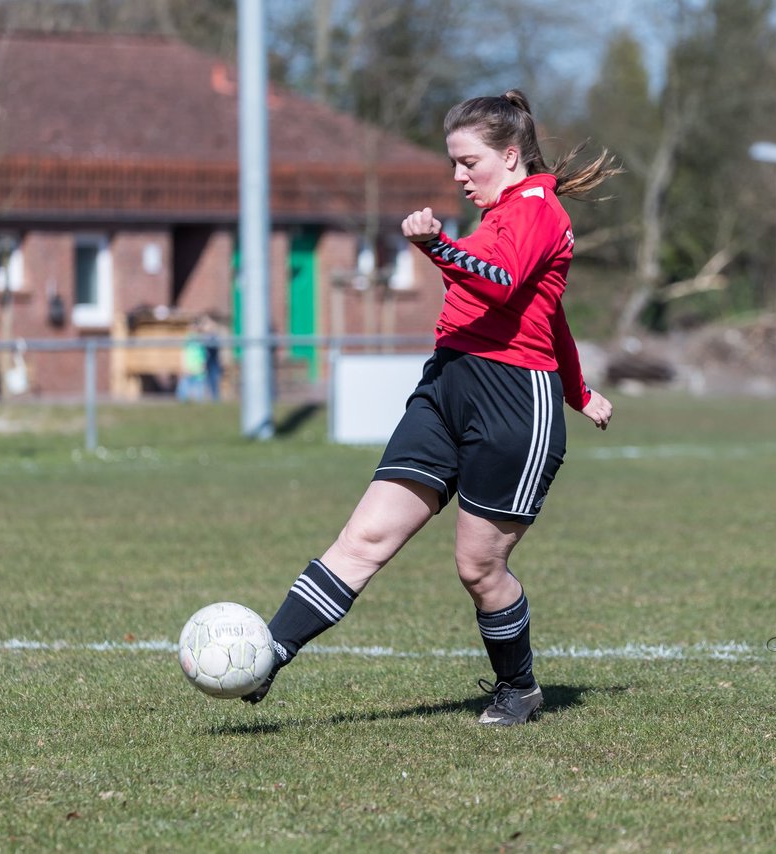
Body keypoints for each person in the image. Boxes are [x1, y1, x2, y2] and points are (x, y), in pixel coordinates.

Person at [241, 90, 618, 725]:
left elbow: (501, 288)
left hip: (512, 403)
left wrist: (438, 246)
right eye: (453, 163)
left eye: (468, 162)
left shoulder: (538, 214)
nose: (458, 176)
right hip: (444, 387)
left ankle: (518, 689)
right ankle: (267, 655)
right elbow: (549, 313)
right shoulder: (499, 217)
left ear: (509, 154)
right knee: (364, 536)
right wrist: (581, 389)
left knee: (478, 566)